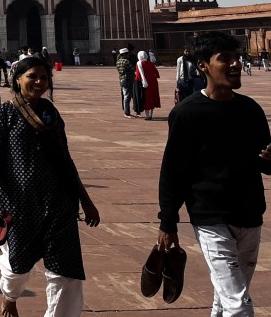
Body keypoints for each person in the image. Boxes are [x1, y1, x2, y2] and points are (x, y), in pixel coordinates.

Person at [157, 31, 271, 317]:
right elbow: (174, 170)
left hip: (249, 212)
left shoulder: (250, 110)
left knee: (229, 293)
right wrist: (168, 221)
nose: (234, 64)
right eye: (225, 59)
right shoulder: (188, 113)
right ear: (203, 65)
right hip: (210, 216)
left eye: (237, 57)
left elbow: (265, 164)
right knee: (238, 302)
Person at [0, 55, 100, 317]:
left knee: (65, 273)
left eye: (44, 77)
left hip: (59, 202)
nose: (38, 82)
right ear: (18, 79)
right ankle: (10, 296)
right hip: (20, 204)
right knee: (17, 267)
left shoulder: (51, 114)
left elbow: (65, 160)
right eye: (32, 76)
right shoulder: (5, 112)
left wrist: (86, 201)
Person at [135, 50, 160, 120]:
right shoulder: (151, 63)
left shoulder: (139, 63)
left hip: (145, 83)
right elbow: (156, 73)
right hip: (153, 82)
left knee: (147, 99)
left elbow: (138, 76)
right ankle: (151, 114)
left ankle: (147, 115)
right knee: (153, 97)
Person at [115, 47, 137, 117]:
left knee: (124, 95)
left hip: (121, 79)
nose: (128, 56)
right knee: (127, 96)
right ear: (124, 54)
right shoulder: (126, 61)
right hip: (128, 79)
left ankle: (126, 110)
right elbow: (132, 69)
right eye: (127, 54)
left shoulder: (118, 62)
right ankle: (127, 112)